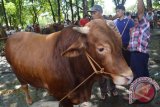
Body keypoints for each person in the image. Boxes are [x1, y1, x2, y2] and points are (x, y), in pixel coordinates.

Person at [88, 5, 119, 100]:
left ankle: (113, 89)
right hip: (99, 55)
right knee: (101, 74)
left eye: (94, 12)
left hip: (110, 54)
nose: (92, 14)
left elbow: (118, 36)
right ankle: (104, 92)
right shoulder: (91, 25)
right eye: (91, 13)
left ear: (100, 12)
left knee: (112, 72)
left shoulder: (110, 23)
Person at [128, 0, 150, 80]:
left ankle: (146, 91)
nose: (135, 20)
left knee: (141, 75)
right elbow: (131, 44)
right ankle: (138, 91)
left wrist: (139, 1)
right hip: (133, 54)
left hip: (141, 54)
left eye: (136, 18)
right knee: (135, 74)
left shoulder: (144, 25)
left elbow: (140, 11)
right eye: (133, 19)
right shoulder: (132, 29)